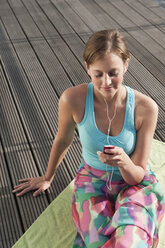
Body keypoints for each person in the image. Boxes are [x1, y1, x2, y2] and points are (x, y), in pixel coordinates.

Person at [13, 29, 165, 248]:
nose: (106, 83)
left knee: (129, 243)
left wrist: (123, 161)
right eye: (98, 74)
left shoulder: (145, 108)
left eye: (114, 73)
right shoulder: (72, 99)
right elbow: (63, 139)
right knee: (97, 243)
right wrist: (47, 177)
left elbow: (136, 175)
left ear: (126, 65)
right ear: (87, 68)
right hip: (93, 182)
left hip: (134, 184)